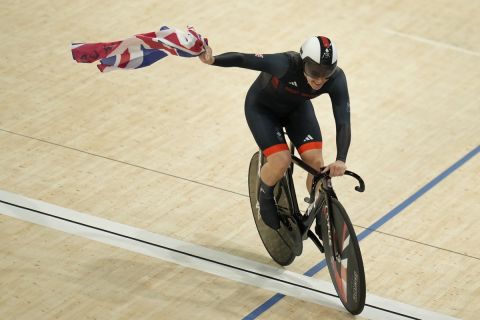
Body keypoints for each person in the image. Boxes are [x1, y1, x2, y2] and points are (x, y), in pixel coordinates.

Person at [199, 36, 351, 230]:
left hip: (297, 110)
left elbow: (343, 121)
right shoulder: (284, 64)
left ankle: (322, 210)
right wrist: (213, 60)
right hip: (262, 110)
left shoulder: (337, 78)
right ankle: (265, 193)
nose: (320, 79)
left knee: (316, 165)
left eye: (326, 72)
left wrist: (340, 159)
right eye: (315, 72)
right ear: (303, 62)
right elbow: (243, 59)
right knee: (281, 160)